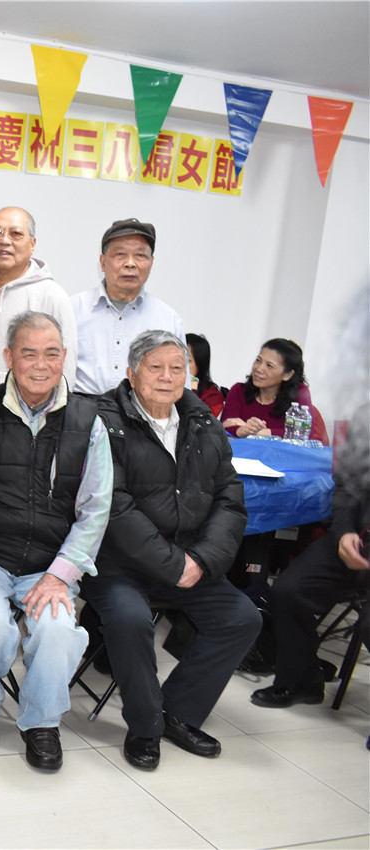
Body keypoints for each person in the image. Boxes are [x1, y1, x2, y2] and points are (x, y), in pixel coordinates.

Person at [83, 330, 260, 771]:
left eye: (177, 368)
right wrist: (172, 564)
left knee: (242, 617)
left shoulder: (204, 423)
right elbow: (112, 506)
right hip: (118, 563)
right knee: (130, 619)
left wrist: (202, 560)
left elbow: (230, 499)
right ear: (131, 373)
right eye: (155, 367)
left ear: (190, 375)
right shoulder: (103, 420)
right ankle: (145, 727)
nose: (167, 377)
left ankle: (177, 713)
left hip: (189, 559)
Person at [0, 312, 112, 772]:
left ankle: (41, 722)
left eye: (51, 354)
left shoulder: (89, 421)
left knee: (58, 630)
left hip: (50, 562)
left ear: (65, 357)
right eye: (29, 353)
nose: (41, 365)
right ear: (8, 357)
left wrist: (61, 574)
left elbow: (96, 509)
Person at [252, 410, 370, 708]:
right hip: (358, 537)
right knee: (289, 590)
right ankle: (301, 681)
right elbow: (347, 488)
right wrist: (345, 531)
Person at [0, 206, 77, 391]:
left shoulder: (52, 296)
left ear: (32, 244)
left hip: (20, 408)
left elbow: (65, 371)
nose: (4, 240)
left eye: (16, 234)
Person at [71, 218, 184, 395]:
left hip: (140, 409)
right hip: (82, 407)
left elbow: (179, 385)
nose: (130, 263)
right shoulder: (72, 309)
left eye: (140, 255)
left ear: (151, 262)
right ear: (103, 262)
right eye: (120, 254)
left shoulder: (168, 320)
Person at [221, 338, 328, 444]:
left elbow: (303, 435)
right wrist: (245, 430)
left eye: (269, 366)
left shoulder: (299, 393)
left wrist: (254, 431)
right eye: (258, 360)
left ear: (287, 374)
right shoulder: (239, 391)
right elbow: (223, 429)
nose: (259, 369)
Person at [185, 332, 225, 417]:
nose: (179, 364)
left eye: (187, 360)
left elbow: (197, 423)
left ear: (200, 365)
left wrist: (192, 392)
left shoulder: (212, 398)